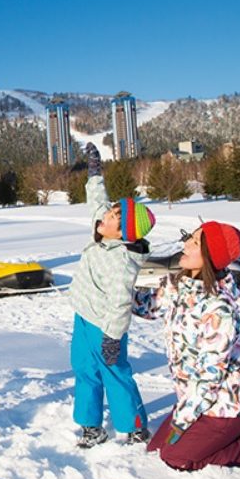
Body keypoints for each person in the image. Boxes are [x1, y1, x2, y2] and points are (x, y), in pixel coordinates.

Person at [133, 222, 240, 471]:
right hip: (193, 400)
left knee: (175, 457)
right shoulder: (179, 286)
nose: (185, 244)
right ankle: (204, 437)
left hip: (222, 407)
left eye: (195, 242)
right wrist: (114, 287)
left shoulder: (219, 310)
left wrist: (182, 420)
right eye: (189, 237)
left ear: (211, 255)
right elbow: (147, 306)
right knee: (156, 448)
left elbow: (210, 376)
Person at [70, 142, 156, 448]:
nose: (104, 216)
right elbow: (98, 200)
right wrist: (95, 173)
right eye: (110, 211)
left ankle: (133, 426)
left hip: (105, 326)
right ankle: (91, 425)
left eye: (112, 217)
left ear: (121, 234)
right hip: (83, 316)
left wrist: (112, 337)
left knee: (115, 372)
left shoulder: (121, 261)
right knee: (83, 370)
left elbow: (121, 303)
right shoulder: (104, 230)